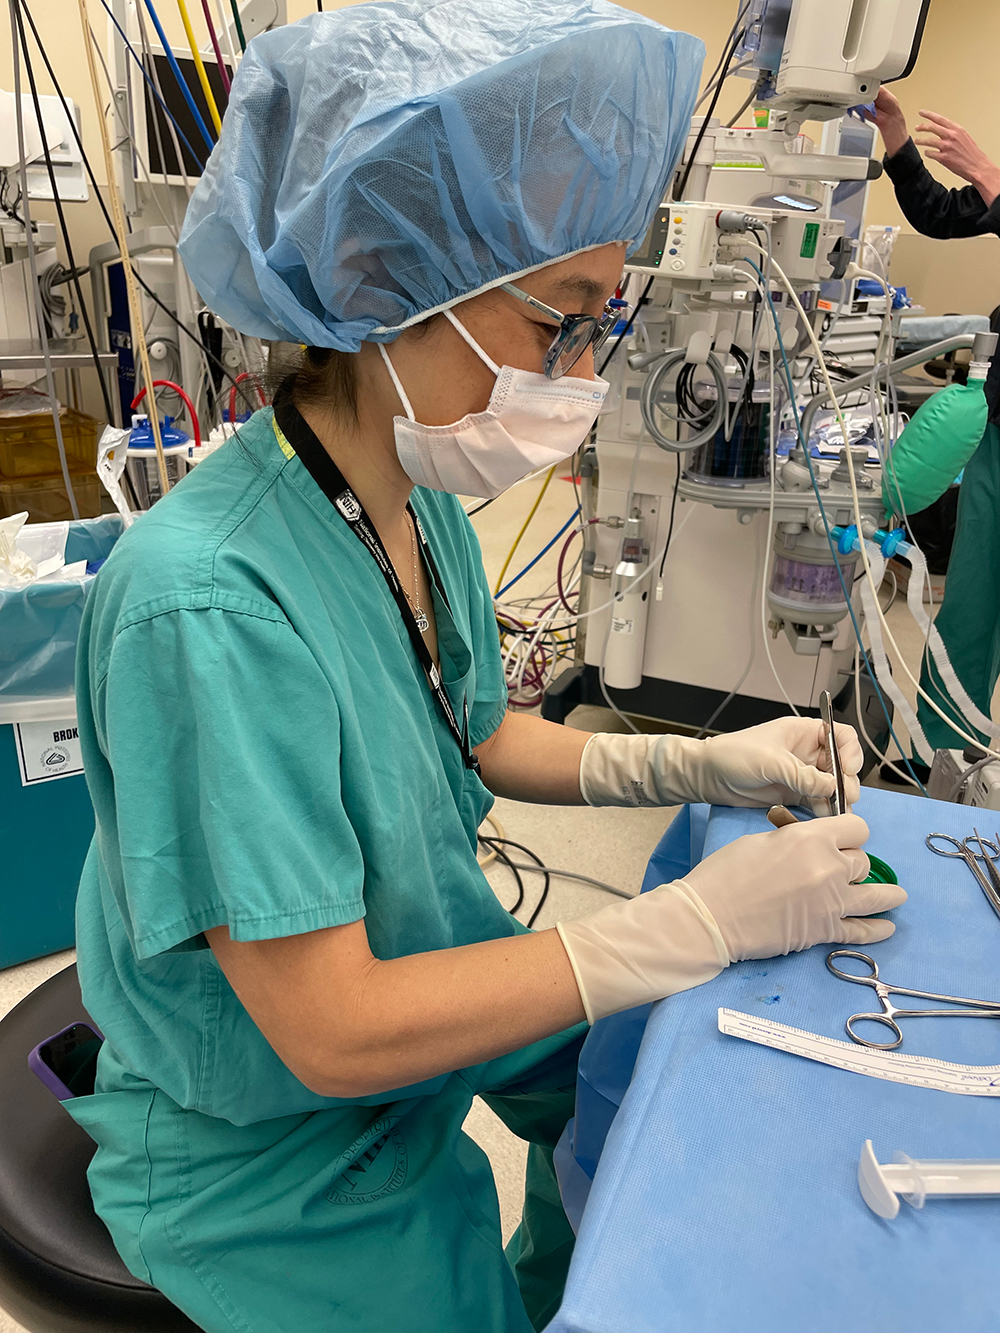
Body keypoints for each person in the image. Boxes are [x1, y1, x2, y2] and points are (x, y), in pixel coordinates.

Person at [65, 6, 904, 1332]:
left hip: (419, 982)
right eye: (560, 321)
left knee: (663, 1088)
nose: (579, 374)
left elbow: (470, 735)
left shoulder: (411, 492)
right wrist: (683, 922)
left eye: (597, 325)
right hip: (276, 1143)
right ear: (386, 277)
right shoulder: (208, 603)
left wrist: (695, 759)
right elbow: (332, 1028)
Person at [868, 88, 1000, 759]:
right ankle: (943, 760)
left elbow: (987, 194)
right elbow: (940, 215)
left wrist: (992, 179)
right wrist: (895, 136)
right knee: (971, 606)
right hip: (998, 430)